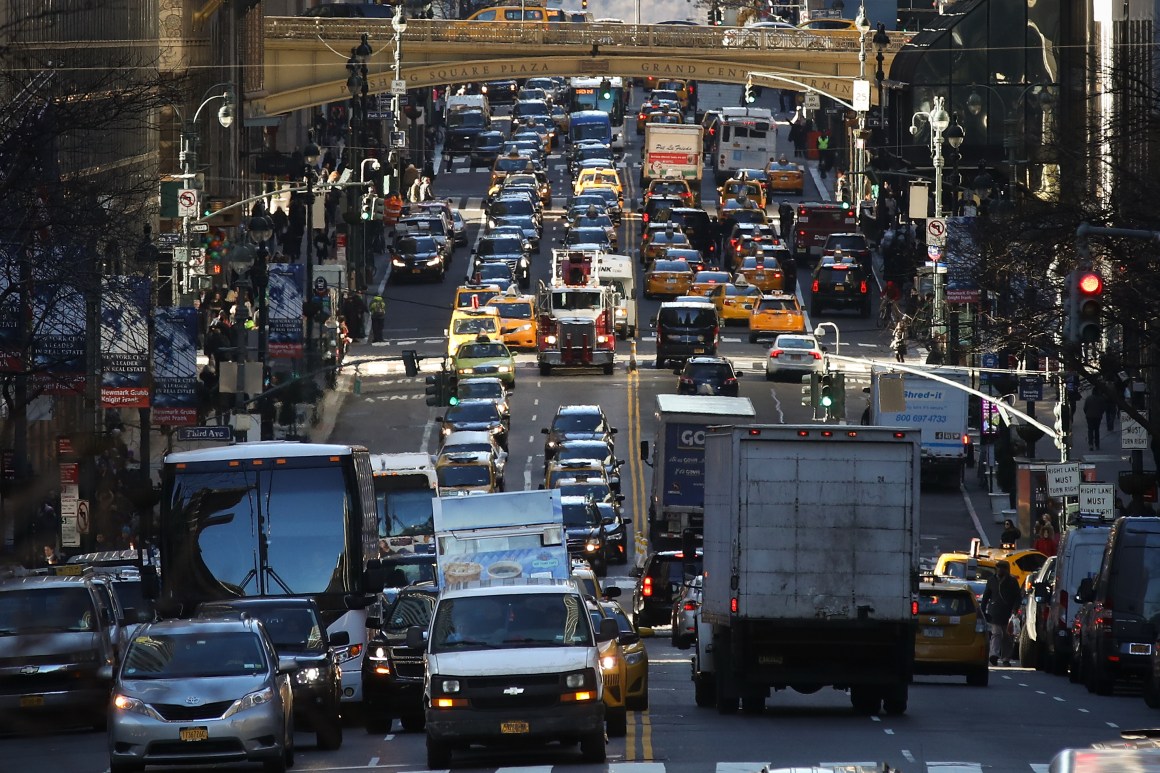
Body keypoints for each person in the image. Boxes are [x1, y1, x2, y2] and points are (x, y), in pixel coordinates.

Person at [980, 559, 1020, 666]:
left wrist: (1015, 609)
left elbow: (1017, 597)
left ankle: (1006, 658)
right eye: (998, 567)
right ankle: (994, 654)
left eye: (1002, 567)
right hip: (995, 612)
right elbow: (986, 597)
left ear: (1007, 569)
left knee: (1008, 636)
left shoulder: (1012, 581)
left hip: (1008, 613)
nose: (1000, 570)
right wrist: (982, 610)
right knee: (996, 633)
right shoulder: (991, 580)